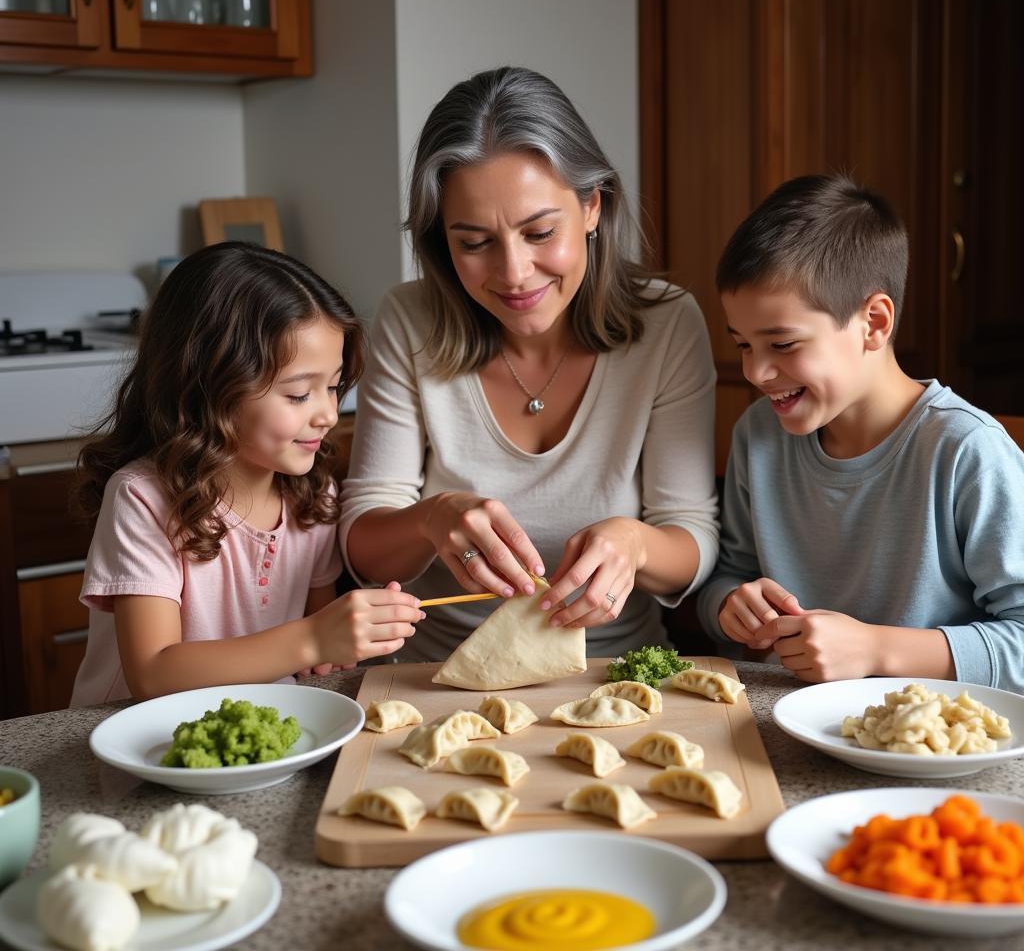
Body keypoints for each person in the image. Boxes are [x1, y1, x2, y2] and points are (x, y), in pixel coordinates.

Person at [340, 66, 719, 662]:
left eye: (539, 232)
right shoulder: (407, 320)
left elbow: (690, 541)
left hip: (619, 673)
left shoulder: (668, 325)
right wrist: (430, 519)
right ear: (443, 240)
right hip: (433, 680)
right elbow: (362, 550)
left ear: (593, 207)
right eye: (474, 242)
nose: (514, 273)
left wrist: (636, 545)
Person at [696, 174, 1024, 689]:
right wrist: (728, 606)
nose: (756, 373)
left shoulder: (967, 450)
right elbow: (726, 575)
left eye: (781, 345)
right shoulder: (758, 435)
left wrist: (875, 649)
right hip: (778, 723)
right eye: (742, 344)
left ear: (874, 322)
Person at [70, 242, 423, 706]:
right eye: (299, 395)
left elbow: (315, 667)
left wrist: (343, 642)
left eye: (334, 387)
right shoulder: (143, 499)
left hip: (257, 731)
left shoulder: (313, 496)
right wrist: (315, 638)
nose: (328, 415)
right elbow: (153, 674)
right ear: (208, 388)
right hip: (135, 738)